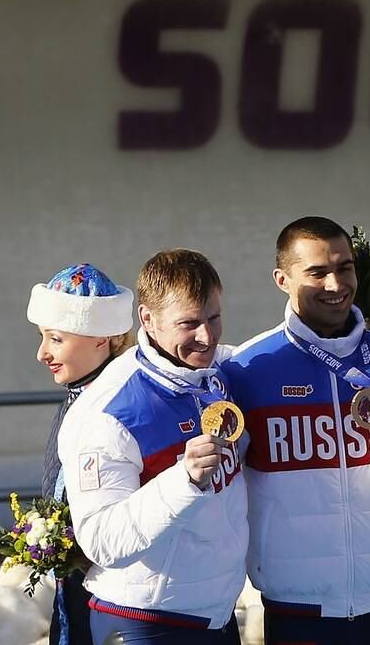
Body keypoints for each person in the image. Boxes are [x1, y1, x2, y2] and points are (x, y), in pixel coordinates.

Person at [220, 216, 370, 645]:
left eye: (345, 267)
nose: (336, 284)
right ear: (282, 279)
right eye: (317, 272)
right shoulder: (245, 372)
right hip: (295, 615)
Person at [56, 250, 246, 644]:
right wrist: (184, 480)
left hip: (214, 614)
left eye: (213, 318)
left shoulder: (208, 373)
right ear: (147, 319)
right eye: (189, 324)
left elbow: (266, 354)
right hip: (144, 622)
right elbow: (101, 540)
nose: (207, 336)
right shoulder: (108, 411)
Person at [27, 263, 136, 645]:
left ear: (101, 338)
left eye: (55, 339)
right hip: (76, 583)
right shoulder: (76, 396)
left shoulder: (124, 404)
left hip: (115, 594)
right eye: (42, 337)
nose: (42, 353)